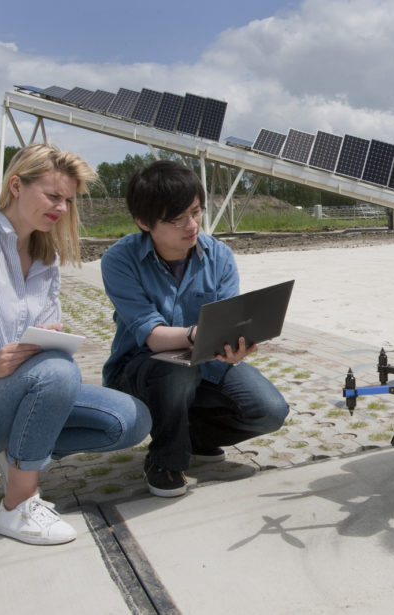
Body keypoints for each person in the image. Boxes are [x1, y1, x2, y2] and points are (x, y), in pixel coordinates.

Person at [0, 143, 152, 546]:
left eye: (68, 201)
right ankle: (18, 505)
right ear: (16, 186)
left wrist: (49, 336)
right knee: (56, 370)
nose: (61, 208)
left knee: (132, 419)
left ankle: (20, 453)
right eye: (53, 196)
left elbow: (39, 347)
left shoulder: (45, 257)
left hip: (21, 391)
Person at [101, 160, 289, 498]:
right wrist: (196, 334)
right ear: (143, 222)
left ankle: (193, 438)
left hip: (207, 363)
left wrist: (235, 347)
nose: (192, 225)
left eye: (196, 211)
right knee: (177, 370)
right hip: (139, 368)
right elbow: (153, 336)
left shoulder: (219, 255)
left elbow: (230, 318)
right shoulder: (120, 260)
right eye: (177, 219)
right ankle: (165, 461)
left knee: (270, 410)